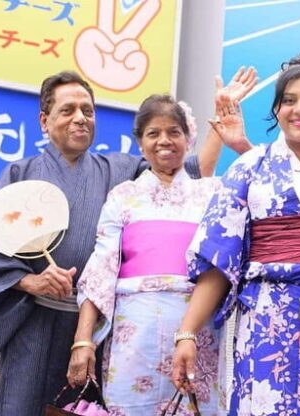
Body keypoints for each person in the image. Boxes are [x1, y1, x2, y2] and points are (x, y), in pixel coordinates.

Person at [0, 69, 255, 415]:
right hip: (37, 319)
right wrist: (32, 281)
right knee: (21, 406)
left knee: (88, 407)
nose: (80, 118)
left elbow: (187, 169)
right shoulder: (19, 175)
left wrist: (222, 117)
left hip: (101, 322)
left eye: (87, 111)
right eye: (68, 110)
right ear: (44, 121)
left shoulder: (118, 171)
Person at [170, 54, 300, 415]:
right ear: (276, 110)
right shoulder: (250, 165)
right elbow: (219, 255)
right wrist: (187, 332)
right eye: (288, 100)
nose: (299, 109)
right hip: (265, 318)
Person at [66, 95, 223, 415]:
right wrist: (84, 341)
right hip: (134, 329)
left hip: (195, 326)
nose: (164, 141)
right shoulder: (123, 197)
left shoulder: (211, 194)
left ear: (189, 139)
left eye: (174, 132)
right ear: (140, 142)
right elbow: (100, 269)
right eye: (153, 133)